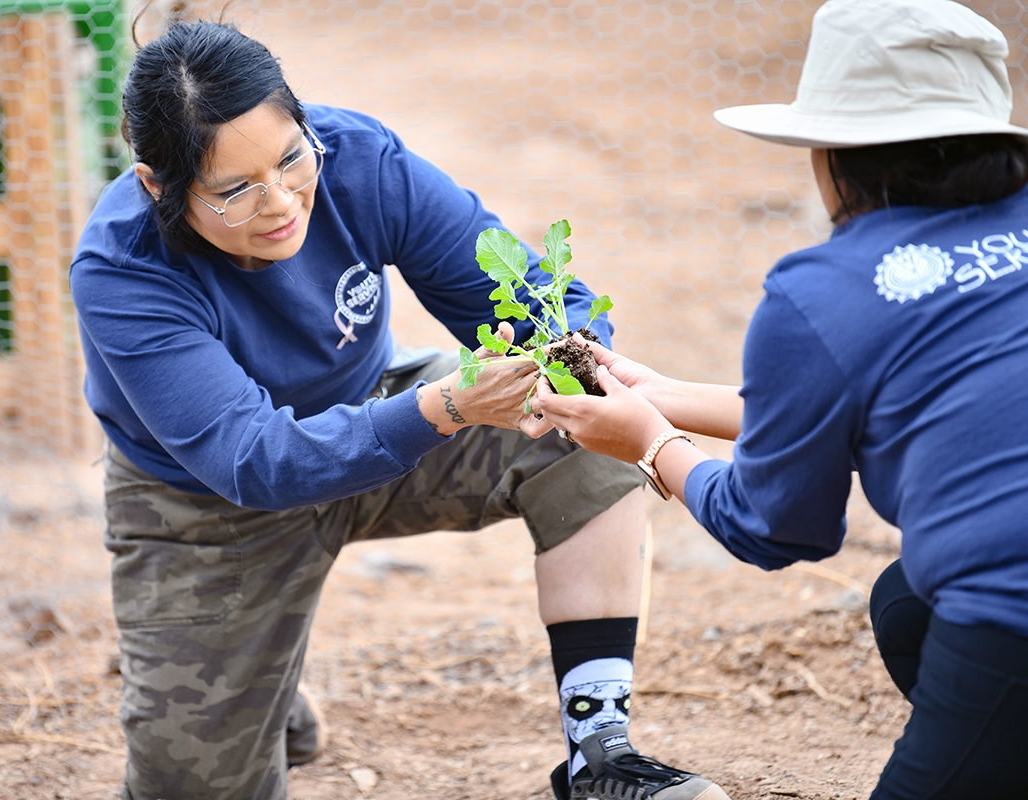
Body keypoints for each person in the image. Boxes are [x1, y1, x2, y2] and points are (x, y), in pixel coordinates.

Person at [69, 17, 730, 800]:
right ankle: (253, 685)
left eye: (290, 159)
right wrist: (446, 406)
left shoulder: (360, 161)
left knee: (576, 421)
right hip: (206, 509)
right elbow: (251, 461)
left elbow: (526, 297)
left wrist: (575, 357)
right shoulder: (122, 269)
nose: (281, 202)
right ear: (158, 186)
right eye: (236, 189)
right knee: (193, 788)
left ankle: (599, 753)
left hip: (373, 413)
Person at [534, 1, 1028, 798]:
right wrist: (662, 398)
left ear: (837, 152)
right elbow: (896, 400)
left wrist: (652, 445)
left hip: (1016, 608)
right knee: (907, 605)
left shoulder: (822, 290)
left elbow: (775, 528)